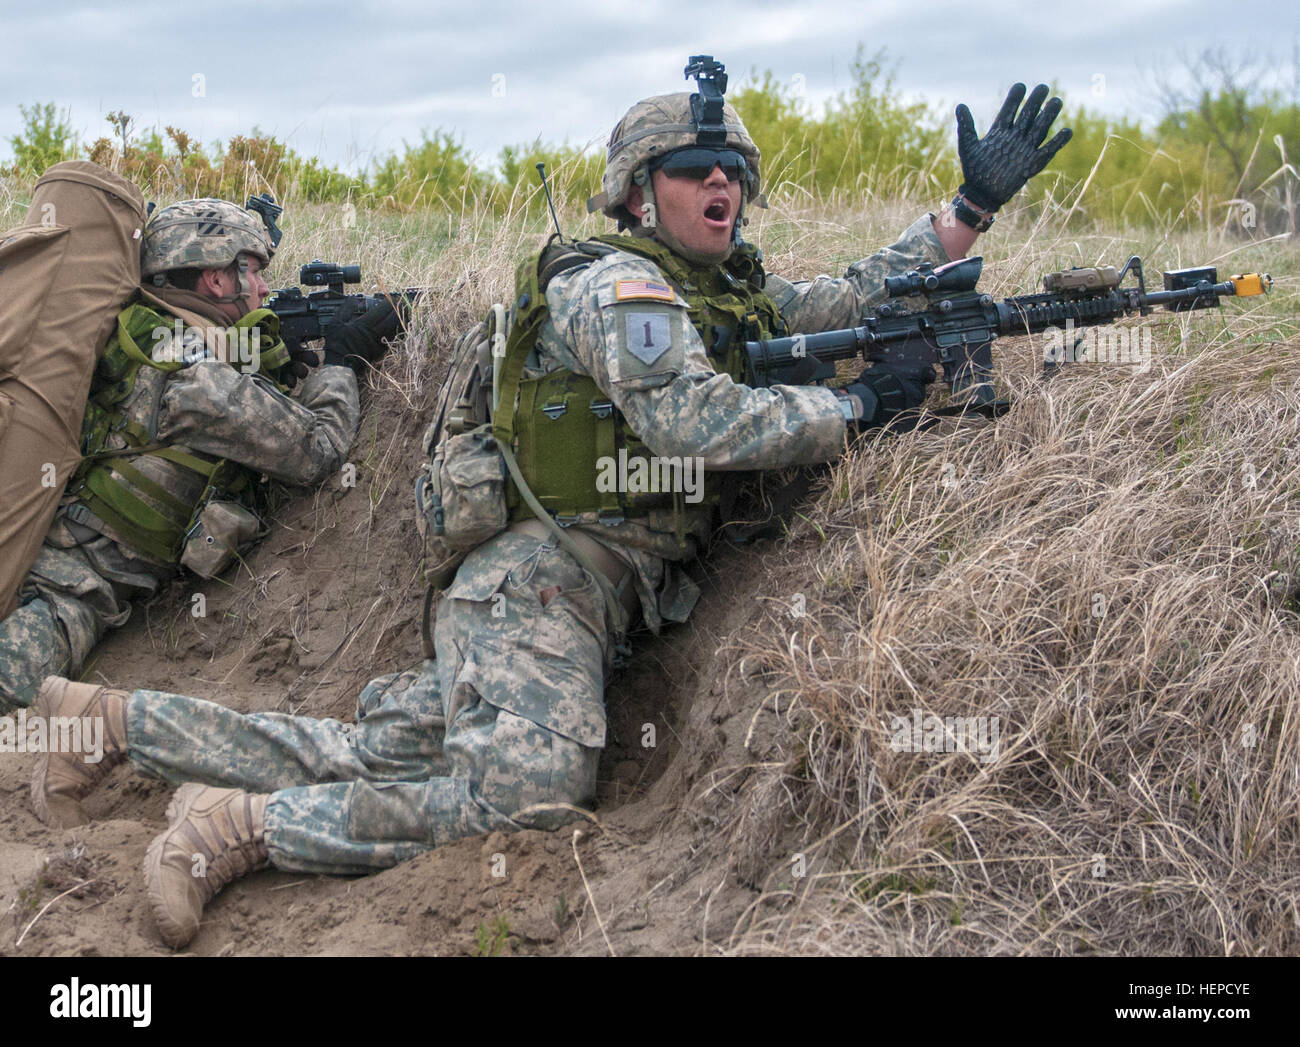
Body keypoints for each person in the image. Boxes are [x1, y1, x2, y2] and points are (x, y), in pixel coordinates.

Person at [29, 68, 1071, 949]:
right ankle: (233, 830)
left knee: (388, 754)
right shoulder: (613, 289)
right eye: (693, 172)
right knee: (524, 790)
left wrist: (965, 215)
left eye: (733, 175)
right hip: (541, 581)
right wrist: (850, 405)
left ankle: (113, 724)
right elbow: (694, 426)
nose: (720, 186)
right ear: (635, 191)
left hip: (564, 587)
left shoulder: (718, 290)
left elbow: (851, 296)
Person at [0, 197, 395, 713]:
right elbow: (317, 450)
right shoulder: (197, 376)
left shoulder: (141, 331)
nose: (263, 288)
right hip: (69, 585)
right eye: (252, 270)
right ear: (215, 279)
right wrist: (341, 360)